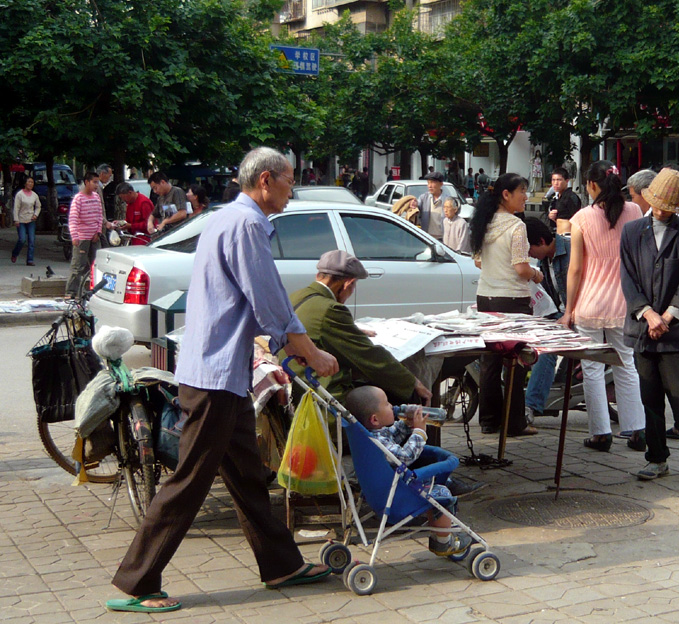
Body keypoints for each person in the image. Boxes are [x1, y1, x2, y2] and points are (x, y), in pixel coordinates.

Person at [106, 147, 339, 614]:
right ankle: (137, 582)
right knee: (190, 480)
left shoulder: (226, 217)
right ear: (267, 180)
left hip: (222, 370)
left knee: (248, 477)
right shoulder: (247, 223)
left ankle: (280, 564)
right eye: (290, 181)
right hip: (213, 373)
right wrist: (309, 350)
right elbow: (269, 299)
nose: (293, 190)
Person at [620, 168, 679, 485]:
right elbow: (628, 280)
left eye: (668, 207)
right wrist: (648, 314)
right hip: (642, 331)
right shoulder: (632, 232)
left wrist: (668, 317)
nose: (661, 211)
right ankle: (656, 458)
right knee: (650, 399)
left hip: (675, 335)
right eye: (658, 204)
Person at [559, 160, 645, 452]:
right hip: (625, 302)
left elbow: (575, 270)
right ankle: (636, 430)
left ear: (593, 185)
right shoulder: (634, 211)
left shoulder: (581, 218)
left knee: (593, 369)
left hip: (590, 303)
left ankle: (601, 433)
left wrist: (568, 310)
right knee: (627, 365)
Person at [283, 250, 433, 405]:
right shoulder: (331, 310)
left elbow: (314, 327)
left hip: (296, 385)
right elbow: (371, 357)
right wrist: (413, 383)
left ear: (318, 276)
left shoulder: (296, 296)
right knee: (402, 397)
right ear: (348, 283)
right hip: (322, 395)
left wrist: (352, 331)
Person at [344, 386, 472, 556]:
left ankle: (443, 528)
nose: (392, 406)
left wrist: (406, 423)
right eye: (387, 404)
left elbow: (393, 433)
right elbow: (406, 456)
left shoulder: (370, 435)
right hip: (398, 497)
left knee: (437, 487)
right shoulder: (379, 442)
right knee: (442, 495)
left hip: (380, 492)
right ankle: (443, 542)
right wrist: (419, 432)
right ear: (375, 419)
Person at [469, 173, 541, 437]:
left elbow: (478, 261)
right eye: (522, 191)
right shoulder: (516, 225)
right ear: (506, 195)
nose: (526, 196)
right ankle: (514, 422)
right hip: (513, 300)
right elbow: (521, 268)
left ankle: (489, 420)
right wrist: (536, 273)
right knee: (516, 361)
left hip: (486, 297)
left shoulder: (482, 222)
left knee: (490, 361)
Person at [523, 217, 570, 419]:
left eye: (530, 249)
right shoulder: (543, 261)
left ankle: (530, 406)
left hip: (574, 315)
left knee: (546, 348)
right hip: (554, 313)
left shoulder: (570, 251)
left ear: (541, 241)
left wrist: (569, 314)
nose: (529, 254)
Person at [66, 172, 111, 297]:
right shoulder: (78, 199)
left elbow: (99, 216)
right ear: (87, 182)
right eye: (94, 182)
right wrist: (75, 236)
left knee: (95, 265)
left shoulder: (96, 197)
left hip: (94, 237)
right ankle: (71, 292)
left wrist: (98, 231)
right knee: (78, 266)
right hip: (82, 238)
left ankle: (95, 291)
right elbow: (73, 219)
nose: (96, 185)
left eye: (97, 182)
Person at [11, 176, 41, 265]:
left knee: (31, 240)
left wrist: (35, 214)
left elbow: (38, 206)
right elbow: (16, 208)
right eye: (29, 182)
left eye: (32, 182)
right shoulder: (20, 194)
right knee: (22, 239)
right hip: (21, 220)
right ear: (25, 183)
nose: (30, 184)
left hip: (31, 220)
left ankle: (30, 260)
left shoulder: (34, 195)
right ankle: (15, 253)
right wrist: (16, 219)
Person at [545, 167, 582, 235]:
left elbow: (577, 219)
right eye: (553, 180)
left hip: (568, 236)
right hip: (559, 234)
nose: (556, 183)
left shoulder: (571, 197)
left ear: (567, 181)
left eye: (559, 180)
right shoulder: (557, 197)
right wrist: (552, 217)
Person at [417, 171, 447, 241]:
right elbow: (417, 208)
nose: (429, 186)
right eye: (428, 183)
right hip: (427, 238)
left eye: (433, 182)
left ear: (441, 184)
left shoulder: (447, 200)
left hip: (443, 239)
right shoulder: (423, 198)